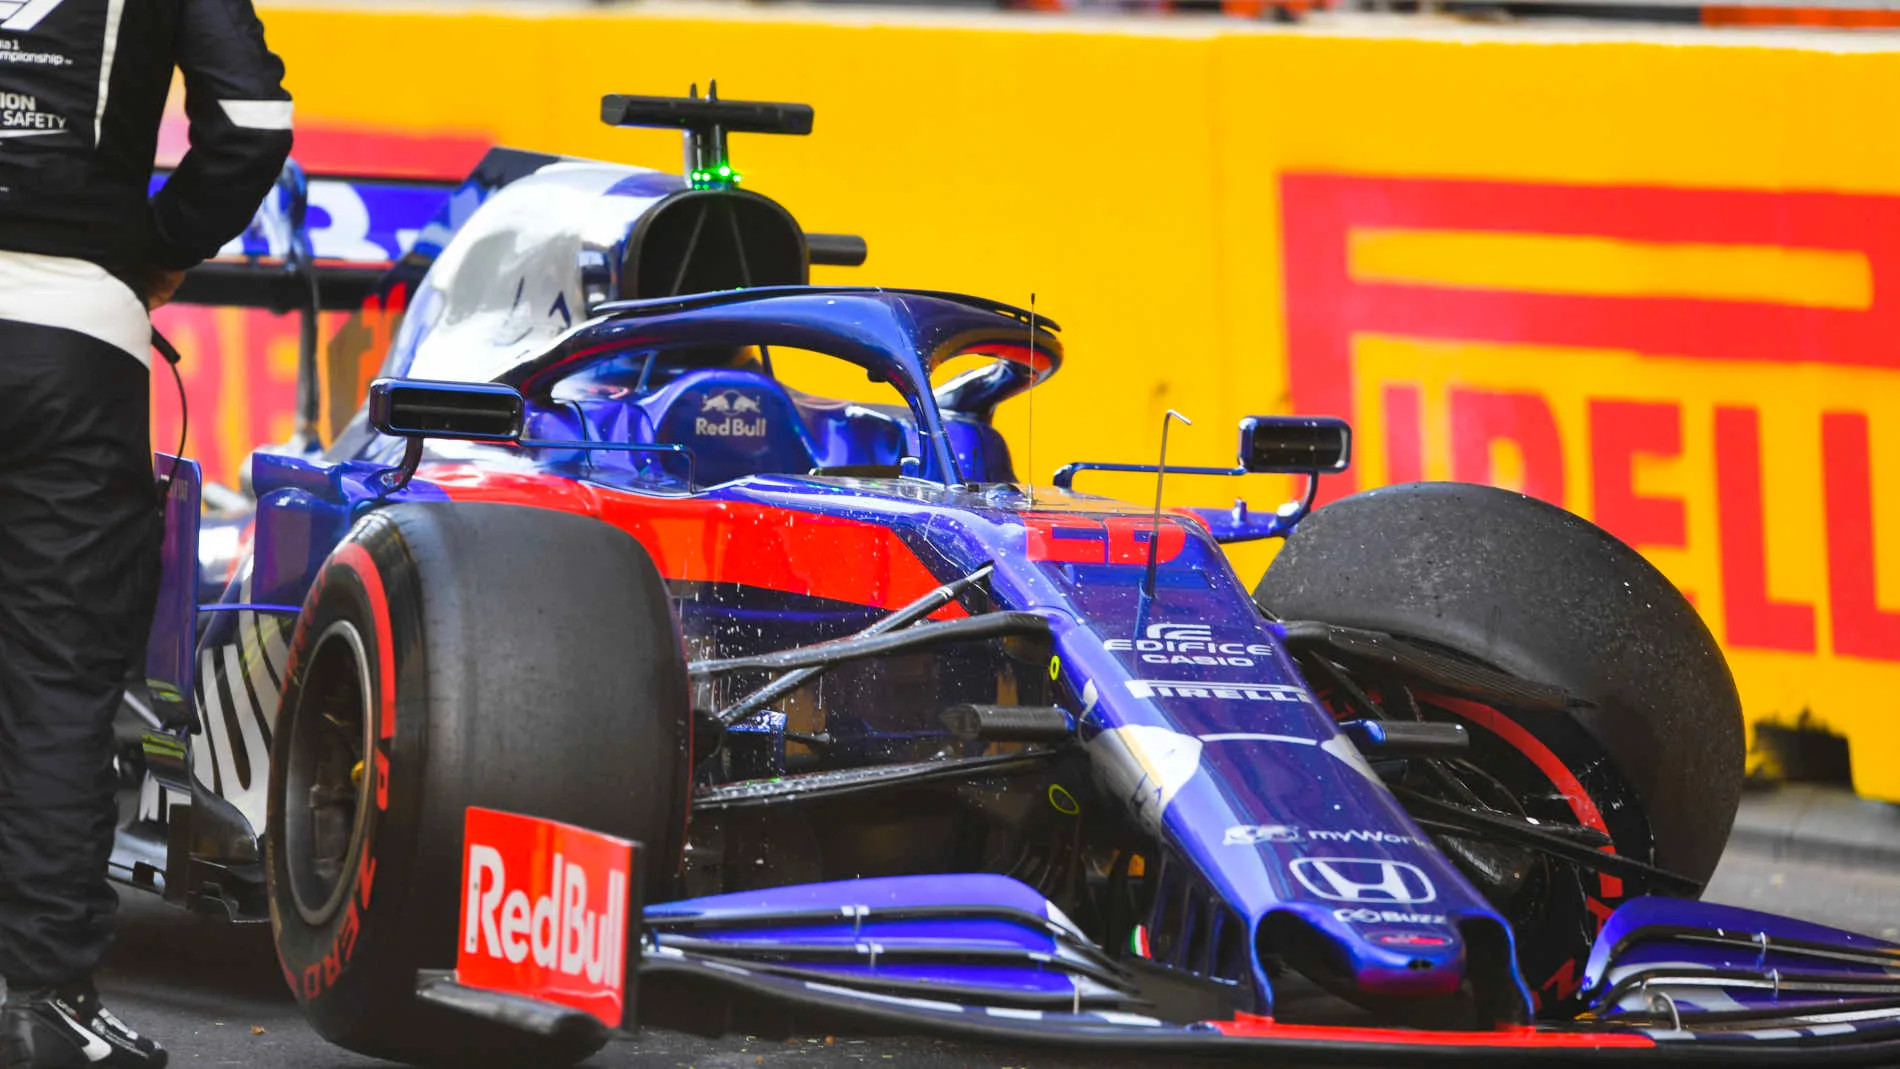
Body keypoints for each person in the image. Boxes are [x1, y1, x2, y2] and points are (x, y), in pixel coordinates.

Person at [0, 3, 291, 1066]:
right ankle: (37, 1004)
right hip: (75, 338)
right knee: (57, 682)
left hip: (78, 325)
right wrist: (151, 253)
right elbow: (253, 123)